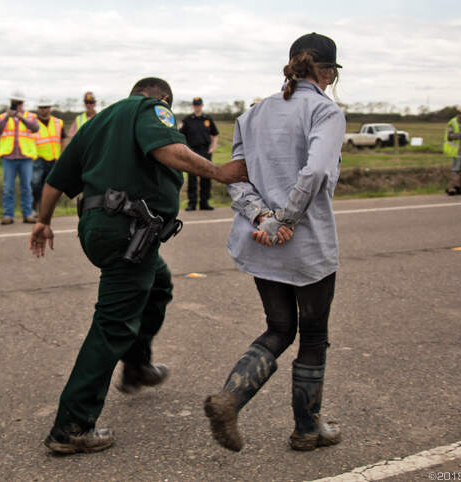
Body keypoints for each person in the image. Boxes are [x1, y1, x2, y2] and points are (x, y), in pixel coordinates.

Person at [29, 77, 248, 454]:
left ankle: (137, 365)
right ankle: (71, 426)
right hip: (128, 230)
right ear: (163, 99)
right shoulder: (150, 108)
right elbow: (166, 148)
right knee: (112, 324)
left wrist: (43, 221)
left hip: (100, 229)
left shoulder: (96, 123)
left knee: (158, 283)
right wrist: (219, 172)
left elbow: (56, 180)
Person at [203, 32, 344, 453]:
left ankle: (230, 399)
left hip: (262, 240)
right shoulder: (326, 112)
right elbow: (315, 173)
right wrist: (285, 218)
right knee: (313, 335)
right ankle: (307, 429)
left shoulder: (255, 113)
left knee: (280, 327)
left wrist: (262, 218)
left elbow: (237, 176)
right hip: (306, 244)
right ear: (329, 73)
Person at [0, 97, 39, 224]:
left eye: (19, 103)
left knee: (26, 188)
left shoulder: (30, 116)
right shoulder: (3, 116)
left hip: (26, 157)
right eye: (15, 103)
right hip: (8, 158)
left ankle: (28, 214)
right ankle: (8, 215)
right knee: (8, 188)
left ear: (23, 103)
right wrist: (7, 117)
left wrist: (22, 118)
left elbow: (35, 128)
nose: (17, 105)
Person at [179, 97, 219, 210]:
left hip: (205, 151)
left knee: (206, 177)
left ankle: (204, 203)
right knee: (192, 178)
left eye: (199, 105)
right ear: (193, 106)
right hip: (192, 152)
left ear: (202, 106)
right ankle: (191, 203)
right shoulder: (187, 120)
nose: (197, 107)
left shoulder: (207, 119)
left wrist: (213, 148)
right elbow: (180, 136)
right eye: (195, 105)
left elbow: (215, 135)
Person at [32, 100, 66, 211]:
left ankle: (46, 209)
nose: (43, 109)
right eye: (41, 107)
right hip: (38, 159)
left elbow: (63, 139)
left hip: (54, 159)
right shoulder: (33, 123)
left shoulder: (58, 122)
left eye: (46, 107)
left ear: (50, 108)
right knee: (35, 184)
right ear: (38, 108)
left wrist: (63, 155)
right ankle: (35, 207)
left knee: (51, 186)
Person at [443, 104, 461, 196]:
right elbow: (450, 136)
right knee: (455, 169)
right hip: (456, 150)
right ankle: (451, 188)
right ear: (460, 114)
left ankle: (459, 188)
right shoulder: (453, 122)